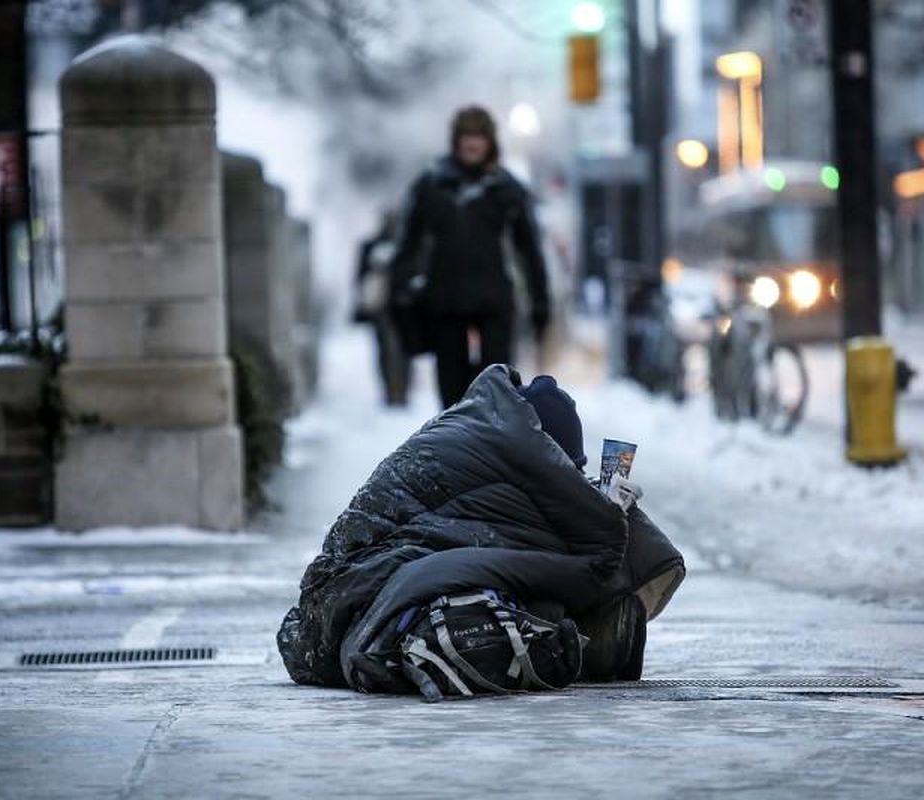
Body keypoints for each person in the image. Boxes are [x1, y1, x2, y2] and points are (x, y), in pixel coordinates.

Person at [277, 365, 685, 697]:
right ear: (550, 455)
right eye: (570, 469)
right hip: (357, 596)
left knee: (541, 589)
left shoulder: (480, 427)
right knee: (552, 598)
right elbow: (592, 561)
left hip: (331, 601)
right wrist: (610, 512)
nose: (573, 479)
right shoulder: (512, 452)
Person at [391, 106, 551, 408]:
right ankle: (457, 452)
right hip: (444, 300)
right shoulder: (431, 185)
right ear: (456, 140)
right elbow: (407, 244)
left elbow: (529, 250)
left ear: (490, 141)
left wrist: (540, 301)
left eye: (479, 136)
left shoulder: (506, 188)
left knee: (497, 392)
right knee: (452, 396)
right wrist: (401, 292)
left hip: (493, 300)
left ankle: (490, 451)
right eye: (466, 136)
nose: (472, 144)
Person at [353, 212, 411, 406]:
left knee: (401, 350)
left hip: (401, 307)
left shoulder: (408, 243)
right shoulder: (372, 246)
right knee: (387, 350)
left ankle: (400, 391)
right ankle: (392, 391)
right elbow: (360, 278)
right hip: (382, 307)